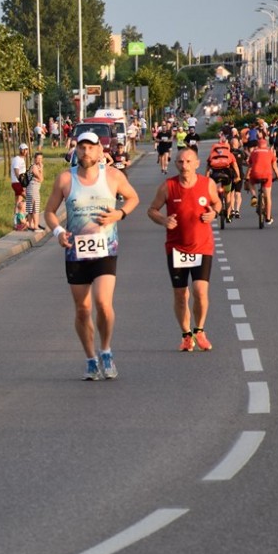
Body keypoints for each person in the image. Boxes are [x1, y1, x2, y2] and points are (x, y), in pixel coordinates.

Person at [43, 130, 140, 381]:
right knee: (82, 309)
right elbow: (49, 211)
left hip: (105, 249)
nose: (86, 152)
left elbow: (133, 198)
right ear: (76, 150)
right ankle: (90, 359)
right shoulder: (66, 179)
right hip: (76, 253)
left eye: (90, 147)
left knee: (103, 304)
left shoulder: (113, 176)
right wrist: (58, 232)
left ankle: (105, 350)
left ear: (99, 151)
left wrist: (119, 214)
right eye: (82, 147)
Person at [147, 147, 221, 352]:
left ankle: (200, 330)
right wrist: (163, 220)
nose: (184, 165)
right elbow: (151, 210)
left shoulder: (207, 184)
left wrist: (214, 213)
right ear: (175, 164)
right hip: (176, 248)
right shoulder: (168, 186)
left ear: (197, 163)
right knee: (181, 295)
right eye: (180, 162)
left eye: (188, 161)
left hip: (202, 246)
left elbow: (217, 203)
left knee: (200, 291)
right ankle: (186, 335)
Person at [246, 137, 278, 225]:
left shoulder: (254, 152)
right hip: (267, 175)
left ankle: (254, 196)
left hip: (255, 174)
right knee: (268, 196)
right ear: (266, 145)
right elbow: (275, 167)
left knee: (251, 182)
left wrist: (246, 177)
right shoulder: (270, 152)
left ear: (258, 145)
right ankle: (268, 218)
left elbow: (250, 166)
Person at [205, 137, 240, 223]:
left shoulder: (212, 154)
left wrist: (206, 179)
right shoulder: (229, 154)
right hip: (226, 175)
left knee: (213, 193)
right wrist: (238, 176)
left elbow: (208, 169)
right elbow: (235, 166)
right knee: (227, 195)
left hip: (215, 176)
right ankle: (228, 216)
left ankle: (215, 210)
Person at [24, 151, 45, 231]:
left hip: (31, 188)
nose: (39, 160)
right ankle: (35, 226)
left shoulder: (34, 167)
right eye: (38, 158)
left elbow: (40, 179)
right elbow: (41, 179)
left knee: (30, 208)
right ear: (34, 159)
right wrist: (41, 170)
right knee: (35, 208)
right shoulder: (34, 167)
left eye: (41, 159)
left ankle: (30, 225)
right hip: (33, 189)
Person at [11, 143, 29, 221]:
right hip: (17, 183)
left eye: (26, 149)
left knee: (18, 201)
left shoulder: (22, 159)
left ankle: (16, 219)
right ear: (21, 150)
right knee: (29, 198)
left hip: (19, 183)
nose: (26, 151)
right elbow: (16, 170)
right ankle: (26, 215)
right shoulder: (17, 159)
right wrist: (21, 181)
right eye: (24, 149)